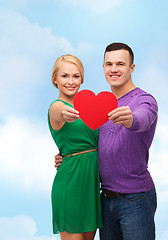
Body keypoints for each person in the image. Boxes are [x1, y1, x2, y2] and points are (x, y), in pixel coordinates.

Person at [55, 43, 158, 240]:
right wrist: (69, 156)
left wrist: (131, 119)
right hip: (103, 199)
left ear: (132, 68)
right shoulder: (100, 105)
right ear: (103, 68)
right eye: (108, 64)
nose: (113, 69)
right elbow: (95, 143)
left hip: (136, 199)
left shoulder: (145, 100)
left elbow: (144, 118)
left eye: (120, 64)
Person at [48, 54, 102, 240]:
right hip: (71, 185)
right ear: (55, 78)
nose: (70, 81)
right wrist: (63, 112)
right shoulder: (57, 106)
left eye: (76, 76)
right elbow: (56, 113)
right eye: (64, 76)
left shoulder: (90, 107)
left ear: (82, 78)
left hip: (91, 186)